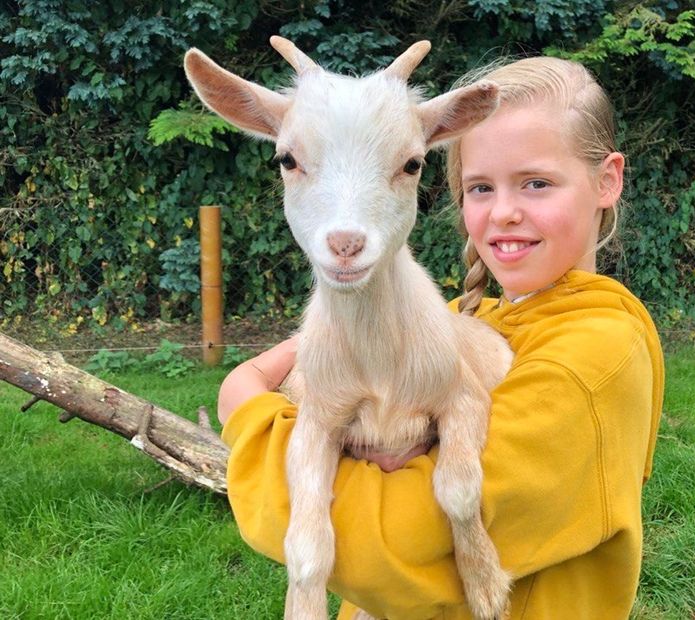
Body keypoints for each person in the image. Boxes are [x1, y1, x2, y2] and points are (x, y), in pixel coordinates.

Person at [216, 55, 665, 619]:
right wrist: (303, 351)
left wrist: (247, 408)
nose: (503, 212)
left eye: (537, 183)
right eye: (480, 187)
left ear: (608, 181)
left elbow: (394, 549)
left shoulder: (595, 361)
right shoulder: (462, 316)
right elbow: (348, 344)